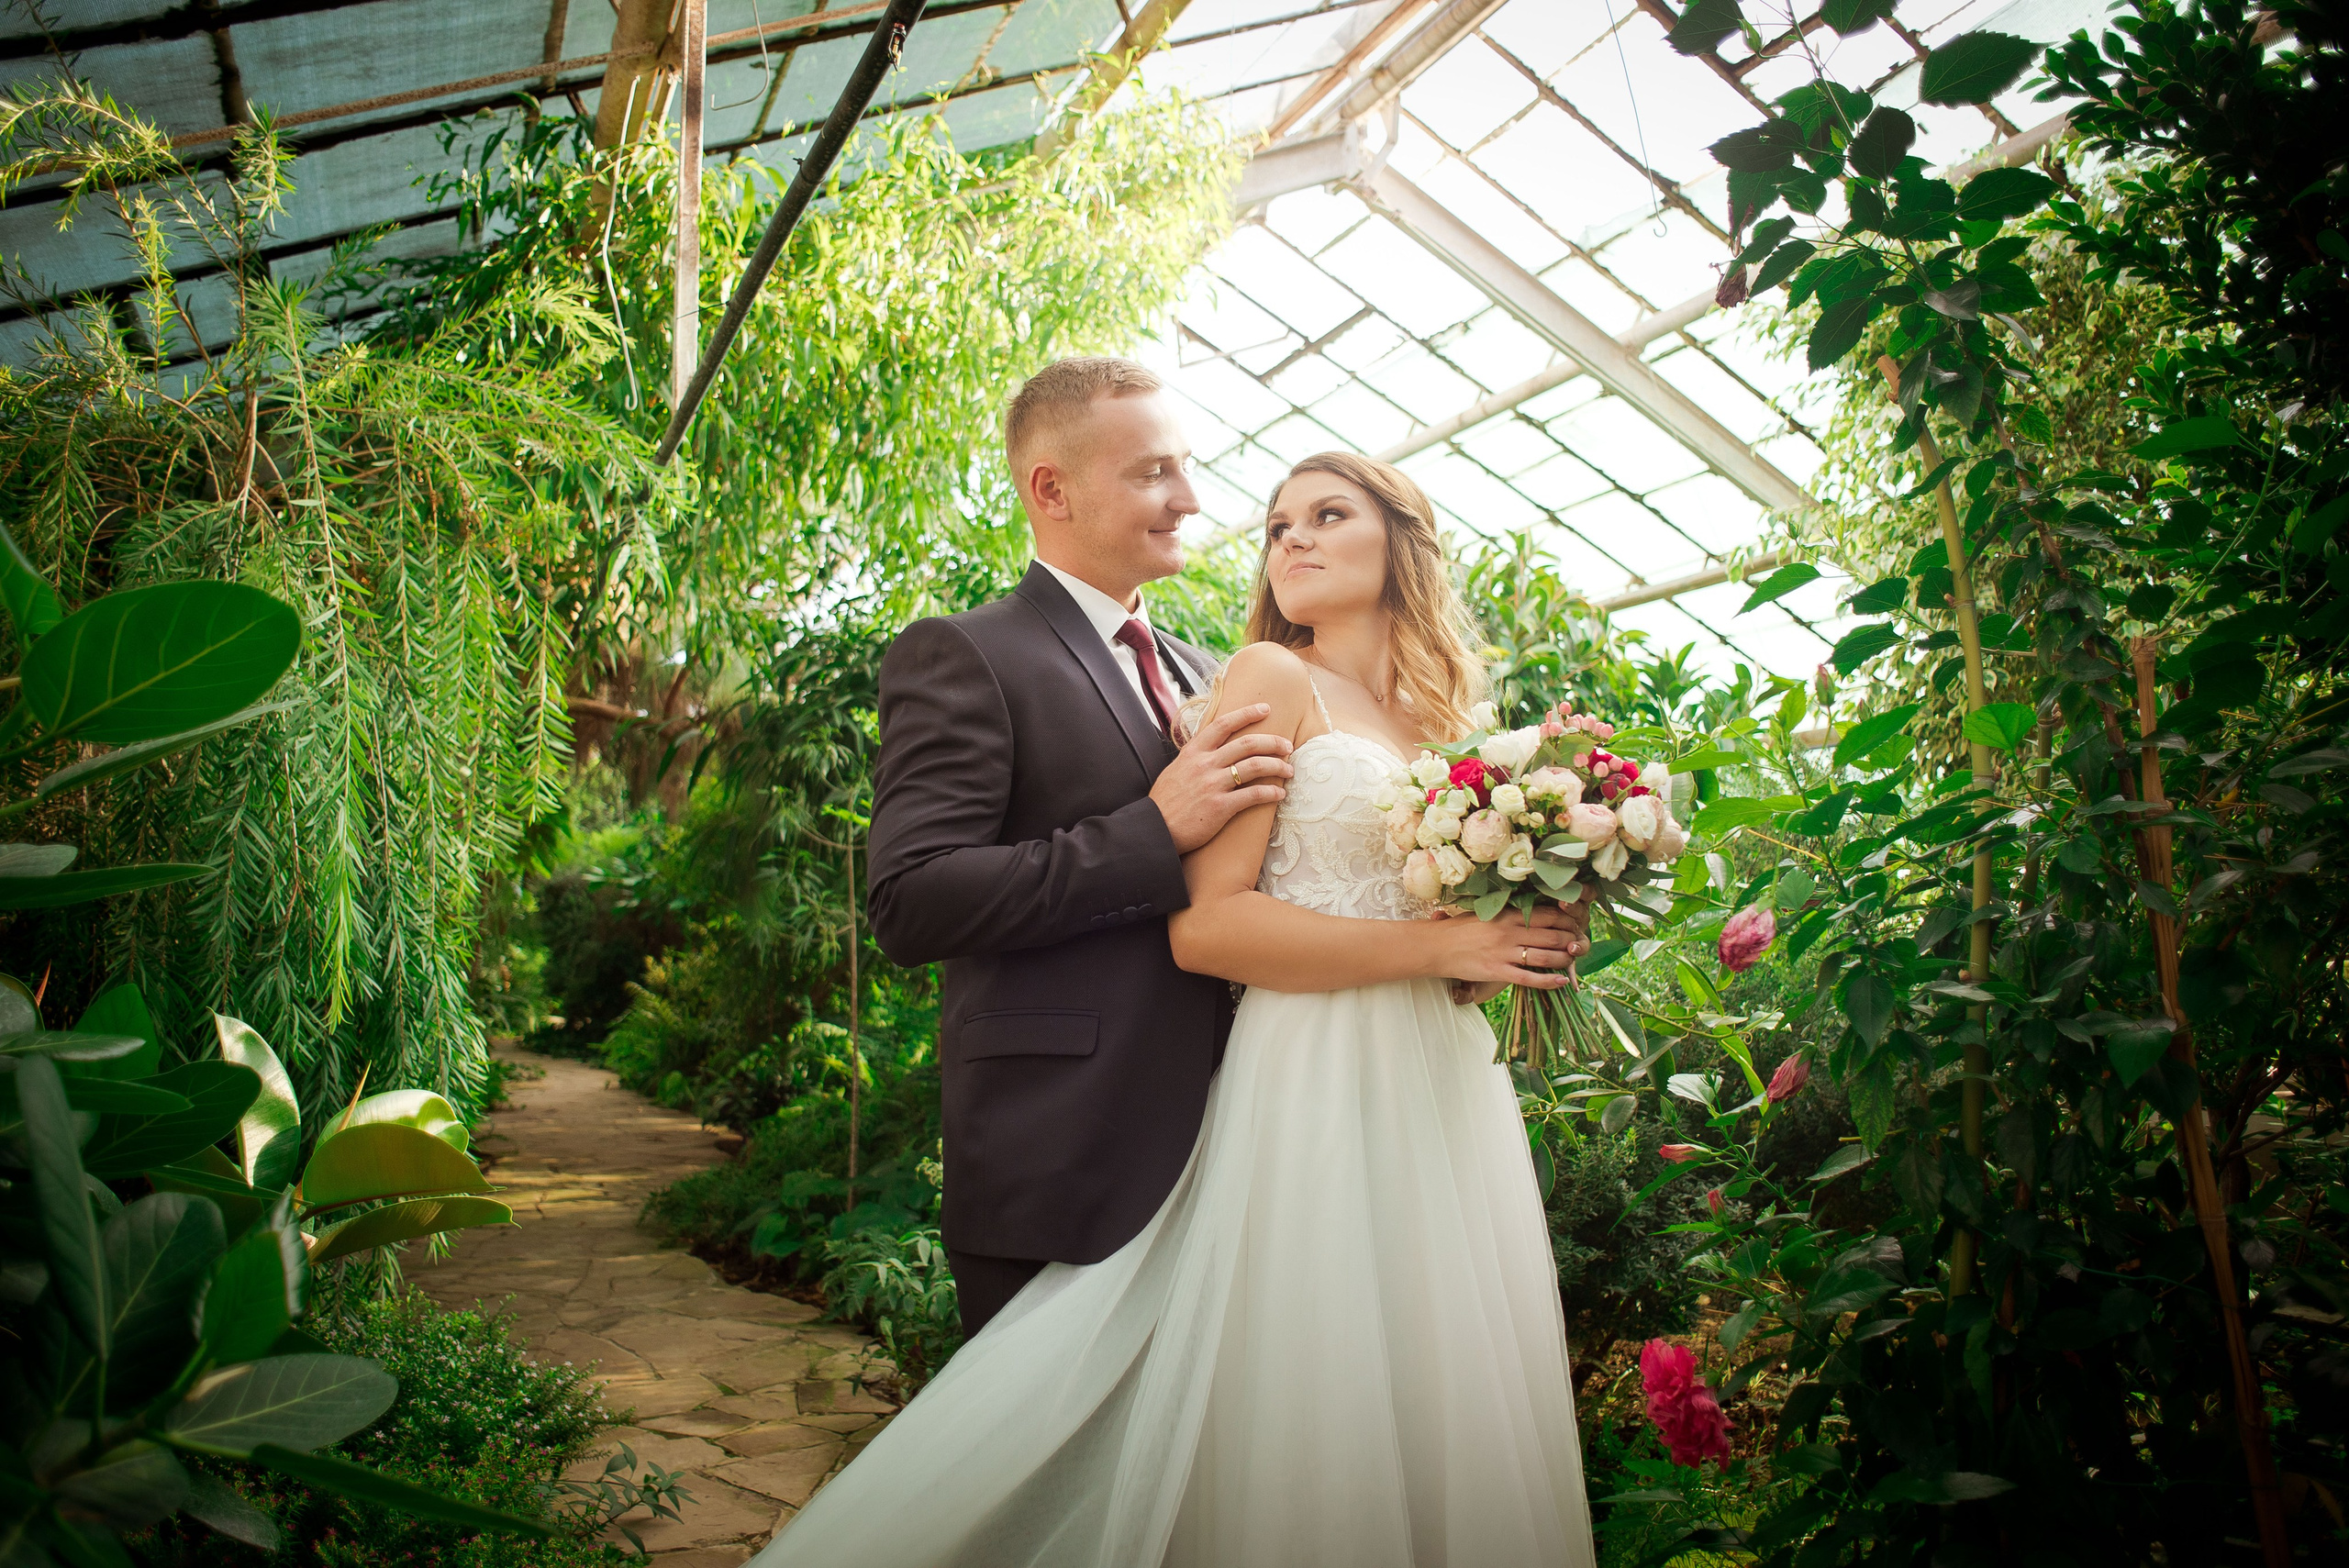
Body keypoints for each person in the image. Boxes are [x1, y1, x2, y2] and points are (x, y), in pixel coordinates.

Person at [758, 413, 1597, 1567]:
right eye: (1160, 473)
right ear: (1052, 486)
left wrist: (1522, 912)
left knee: (1404, 1389)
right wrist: (1155, 832)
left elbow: (1383, 906)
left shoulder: (1271, 686)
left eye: (1322, 515)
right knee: (1109, 1447)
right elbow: (925, 900)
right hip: (1125, 1117)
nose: (1206, 506)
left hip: (1399, 1092)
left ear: (1405, 540)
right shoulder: (998, 652)